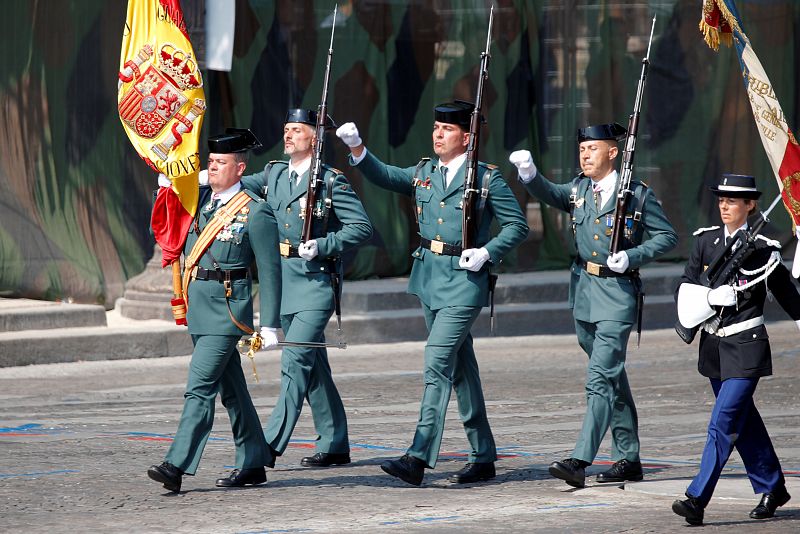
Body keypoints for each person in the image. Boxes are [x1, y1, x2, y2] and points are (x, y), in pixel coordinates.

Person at [335, 101, 529, 486]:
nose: (438, 134)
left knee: (436, 361)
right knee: (461, 369)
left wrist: (488, 251)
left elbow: (518, 225)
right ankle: (483, 454)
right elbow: (388, 176)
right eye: (436, 127)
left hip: (464, 281)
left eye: (447, 129)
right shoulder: (425, 171)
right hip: (429, 278)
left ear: (467, 138)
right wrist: (358, 149)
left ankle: (418, 455)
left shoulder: (487, 180)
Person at [509, 123, 677, 487]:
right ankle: (629, 458)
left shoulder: (636, 194)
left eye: (593, 149)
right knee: (611, 375)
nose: (585, 155)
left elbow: (667, 236)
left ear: (612, 152)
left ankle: (579, 460)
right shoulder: (579, 188)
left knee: (599, 378)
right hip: (584, 292)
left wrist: (633, 255)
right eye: (582, 149)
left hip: (617, 294)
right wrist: (529, 174)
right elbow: (553, 194)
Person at [147, 128, 282, 492]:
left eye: (221, 163)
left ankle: (176, 464)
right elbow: (166, 229)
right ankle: (253, 460)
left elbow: (270, 271)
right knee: (232, 390)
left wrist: (269, 324)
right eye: (210, 162)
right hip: (199, 309)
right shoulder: (200, 201)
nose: (213, 168)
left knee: (199, 387)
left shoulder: (256, 212)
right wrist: (170, 184)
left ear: (240, 169)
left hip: (227, 311)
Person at [239, 109, 372, 469]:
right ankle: (335, 443)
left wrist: (325, 244)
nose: (288, 136)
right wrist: (196, 177)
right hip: (282, 281)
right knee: (313, 367)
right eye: (285, 129)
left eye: (296, 130)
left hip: (315, 282)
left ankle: (267, 447)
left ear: (314, 138)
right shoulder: (274, 174)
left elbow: (361, 227)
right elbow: (237, 186)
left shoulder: (331, 181)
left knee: (295, 358)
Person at [672, 174, 800, 525]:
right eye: (721, 200)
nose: (725, 206)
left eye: (733, 200)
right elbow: (684, 287)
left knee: (724, 421)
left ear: (751, 205)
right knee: (743, 423)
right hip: (714, 346)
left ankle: (697, 498)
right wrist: (711, 296)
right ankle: (773, 486)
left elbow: (787, 293)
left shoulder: (763, 249)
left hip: (746, 346)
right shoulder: (705, 242)